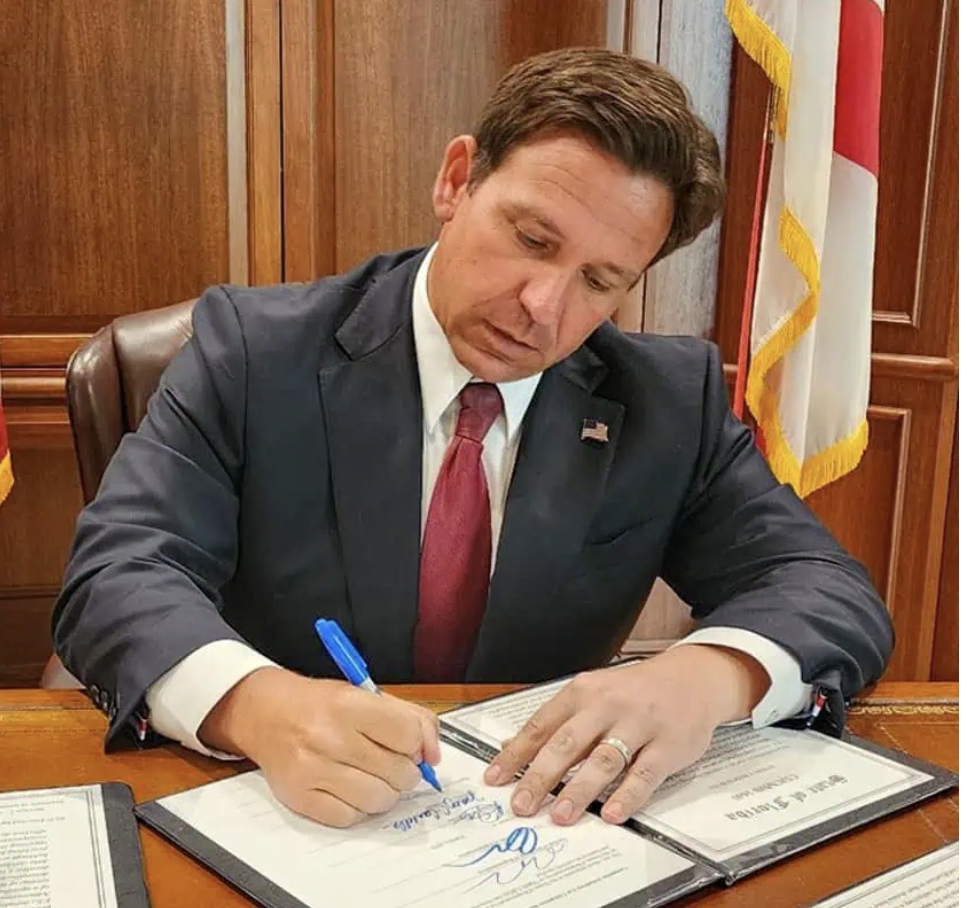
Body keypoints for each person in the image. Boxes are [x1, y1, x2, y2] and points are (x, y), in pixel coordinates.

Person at [51, 47, 894, 830]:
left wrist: (705, 679)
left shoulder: (667, 400)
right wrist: (256, 706)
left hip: (527, 829)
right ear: (457, 180)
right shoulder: (253, 352)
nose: (542, 307)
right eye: (531, 239)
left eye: (600, 280)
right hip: (278, 808)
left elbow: (825, 589)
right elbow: (116, 573)